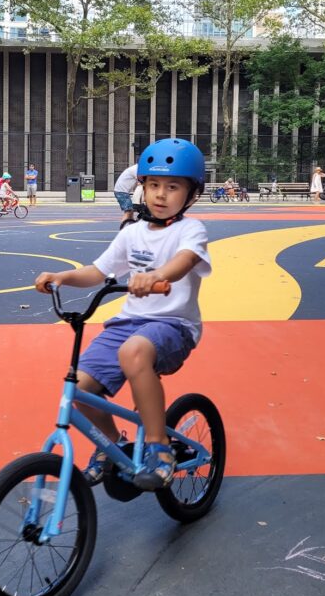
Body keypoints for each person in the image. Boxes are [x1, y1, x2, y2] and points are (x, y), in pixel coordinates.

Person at [34, 138, 211, 491]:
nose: (161, 194)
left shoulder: (190, 230)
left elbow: (185, 260)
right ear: (142, 189)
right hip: (128, 323)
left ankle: (160, 448)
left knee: (133, 353)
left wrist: (158, 276)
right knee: (80, 387)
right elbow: (98, 271)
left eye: (173, 187)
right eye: (153, 185)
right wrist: (63, 277)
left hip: (173, 325)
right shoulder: (131, 233)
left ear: (191, 194)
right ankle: (112, 442)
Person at [112, 163, 139, 230]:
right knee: (128, 211)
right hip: (121, 192)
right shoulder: (136, 169)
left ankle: (132, 229)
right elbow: (140, 181)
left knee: (130, 211)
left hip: (122, 191)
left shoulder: (135, 168)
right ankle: (122, 230)